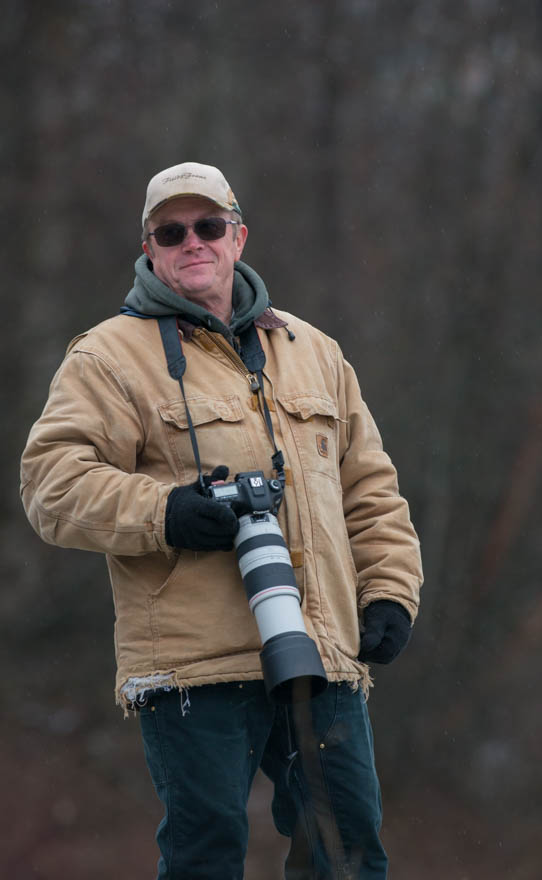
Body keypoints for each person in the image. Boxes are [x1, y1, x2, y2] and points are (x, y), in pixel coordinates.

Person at [20, 161, 423, 879]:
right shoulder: (108, 357)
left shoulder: (314, 352)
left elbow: (371, 490)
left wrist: (390, 590)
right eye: (170, 232)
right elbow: (51, 484)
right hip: (191, 666)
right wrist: (166, 511)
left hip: (322, 652)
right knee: (204, 856)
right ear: (148, 250)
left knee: (350, 853)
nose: (191, 242)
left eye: (208, 226)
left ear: (239, 236)